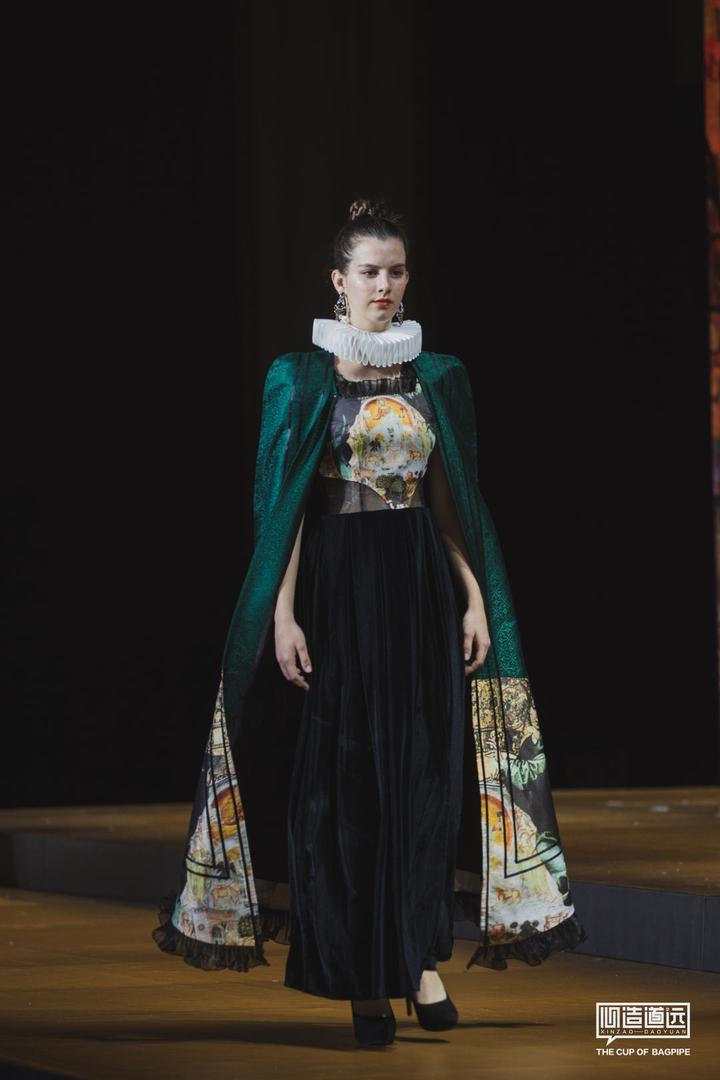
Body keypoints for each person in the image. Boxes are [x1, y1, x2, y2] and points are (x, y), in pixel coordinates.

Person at [152, 198, 589, 1048]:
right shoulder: (300, 376)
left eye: (395, 271)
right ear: (338, 280)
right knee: (348, 788)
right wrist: (283, 615)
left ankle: (418, 960)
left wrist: (472, 596)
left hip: (419, 588)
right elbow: (283, 512)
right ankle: (364, 975)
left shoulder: (439, 377)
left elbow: (451, 503)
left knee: (422, 780)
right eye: (369, 272)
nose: (383, 285)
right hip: (337, 592)